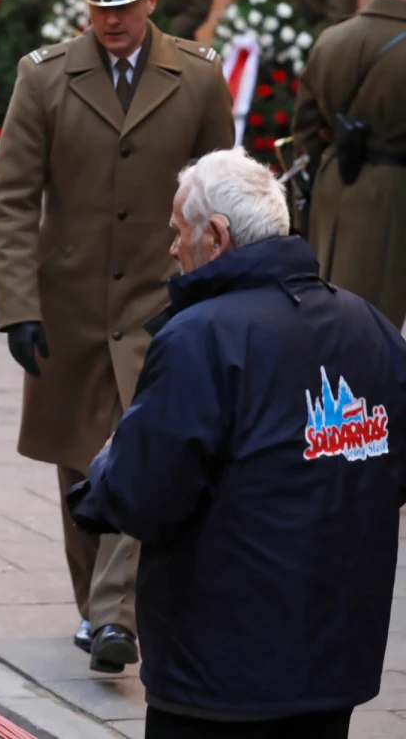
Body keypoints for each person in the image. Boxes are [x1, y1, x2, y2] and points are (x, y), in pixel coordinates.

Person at [67, 146, 406, 739]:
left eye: (177, 232)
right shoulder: (368, 325)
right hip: (335, 661)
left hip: (218, 672)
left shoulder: (201, 337)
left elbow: (141, 494)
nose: (172, 249)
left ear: (216, 235)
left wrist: (103, 469)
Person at [0, 0, 234, 674]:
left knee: (140, 442)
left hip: (162, 301)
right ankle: (94, 609)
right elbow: (11, 198)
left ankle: (113, 614)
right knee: (76, 463)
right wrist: (18, 306)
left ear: (152, 0)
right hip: (68, 306)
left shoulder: (197, 76)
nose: (112, 19)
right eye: (99, 4)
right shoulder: (44, 79)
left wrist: (214, 290)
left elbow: (219, 191)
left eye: (125, 4)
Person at [290, 0, 406, 330]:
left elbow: (304, 129)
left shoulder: (331, 40)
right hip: (393, 200)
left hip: (332, 187)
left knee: (328, 313)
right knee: (380, 326)